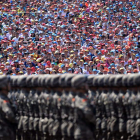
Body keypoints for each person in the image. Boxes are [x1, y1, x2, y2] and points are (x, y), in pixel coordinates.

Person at [0, 76, 17, 140]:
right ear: (4, 86)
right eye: (8, 83)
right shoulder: (3, 100)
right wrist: (16, 121)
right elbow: (9, 113)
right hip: (5, 131)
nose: (9, 85)